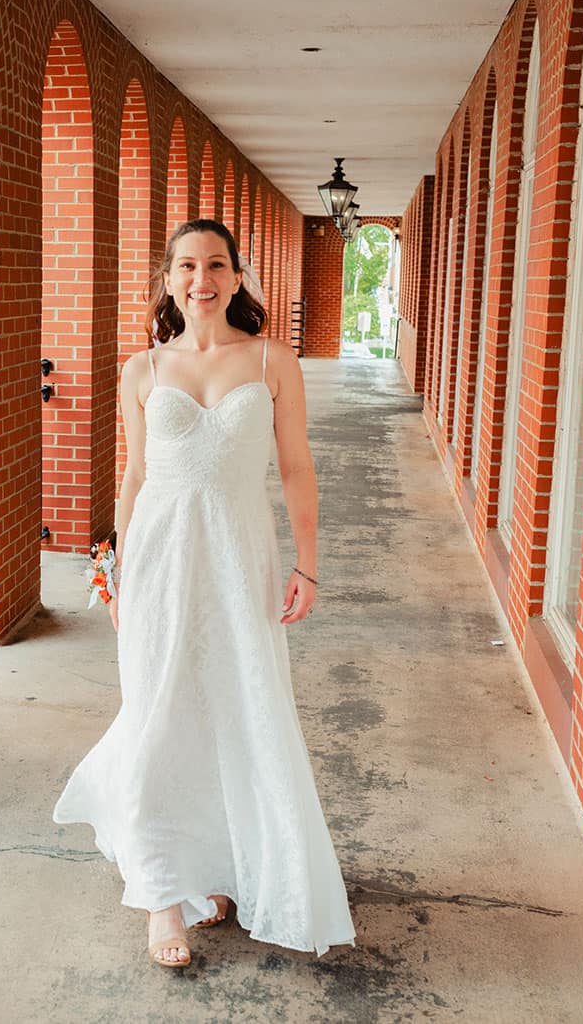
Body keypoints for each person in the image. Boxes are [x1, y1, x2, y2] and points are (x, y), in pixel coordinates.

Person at [53, 218, 356, 967]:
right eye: (186, 266)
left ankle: (215, 869)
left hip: (239, 563)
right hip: (158, 564)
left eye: (216, 264)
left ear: (237, 276)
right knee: (158, 715)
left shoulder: (271, 361)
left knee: (237, 712)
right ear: (168, 279)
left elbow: (295, 471)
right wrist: (112, 572)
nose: (201, 279)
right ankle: (161, 900)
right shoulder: (142, 371)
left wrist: (307, 565)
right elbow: (133, 477)